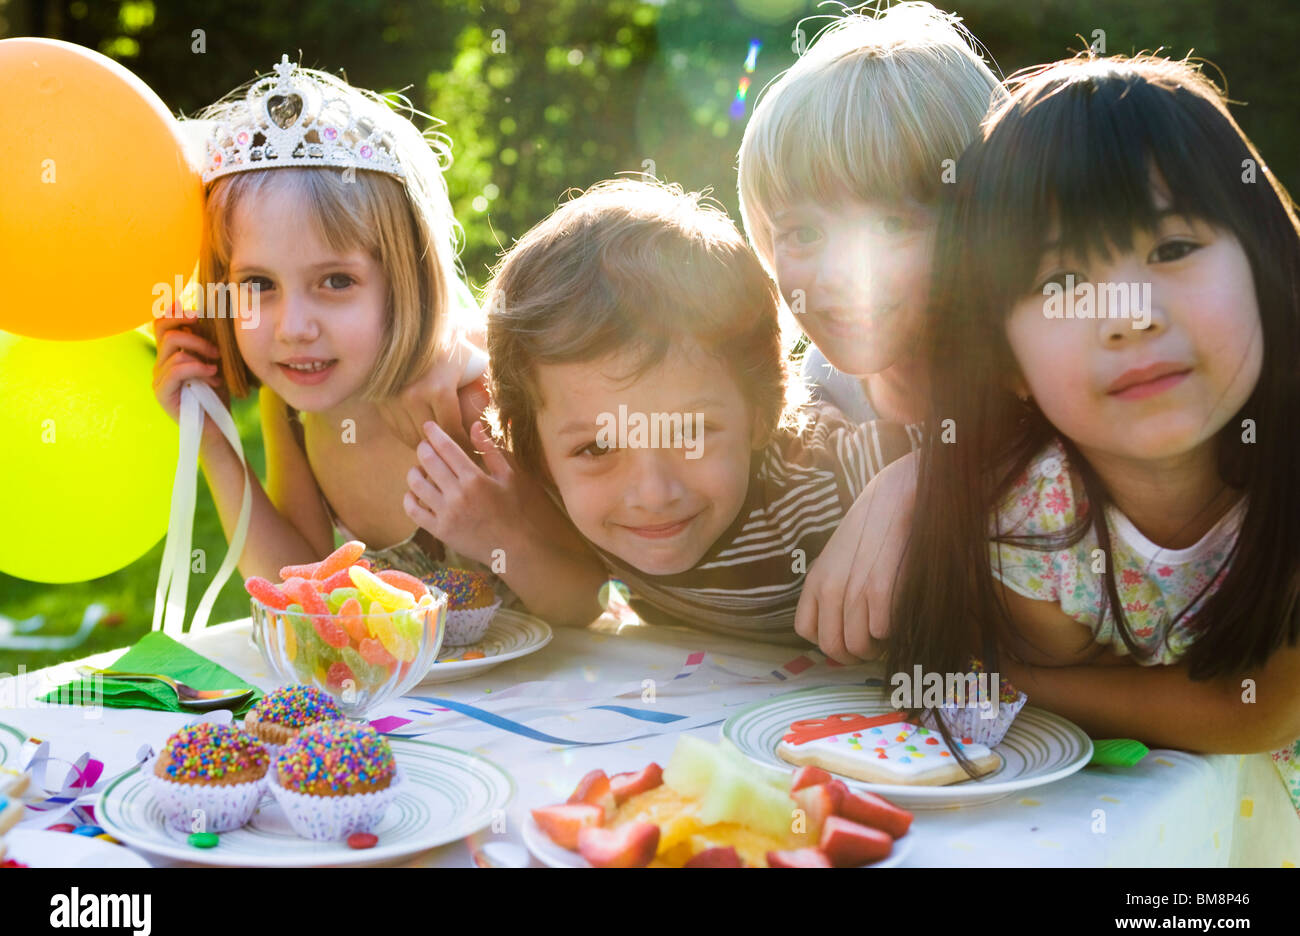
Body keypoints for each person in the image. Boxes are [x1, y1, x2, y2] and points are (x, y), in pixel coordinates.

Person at [884, 55, 1300, 811]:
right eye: (1062, 283)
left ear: (1266, 264)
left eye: (1172, 249)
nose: (1129, 316)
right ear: (1006, 359)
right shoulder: (1029, 515)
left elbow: (1268, 707)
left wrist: (1031, 684)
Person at [152, 56, 599, 623]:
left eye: (336, 281)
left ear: (405, 280)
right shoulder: (291, 409)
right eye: (258, 284)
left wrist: (499, 533)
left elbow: (589, 603)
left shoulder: (470, 403)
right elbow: (301, 589)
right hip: (397, 712)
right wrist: (211, 433)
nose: (294, 327)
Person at [406, 178, 918, 641]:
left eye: (690, 433)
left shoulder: (827, 481)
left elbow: (979, 462)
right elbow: (584, 604)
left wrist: (921, 478)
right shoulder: (555, 489)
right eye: (600, 446)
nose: (653, 493)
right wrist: (502, 536)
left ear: (760, 413)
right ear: (536, 451)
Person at [735, 1, 1001, 653]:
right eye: (801, 231)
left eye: (890, 224)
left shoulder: (1054, 379)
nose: (840, 275)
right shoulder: (817, 389)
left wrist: (928, 477)